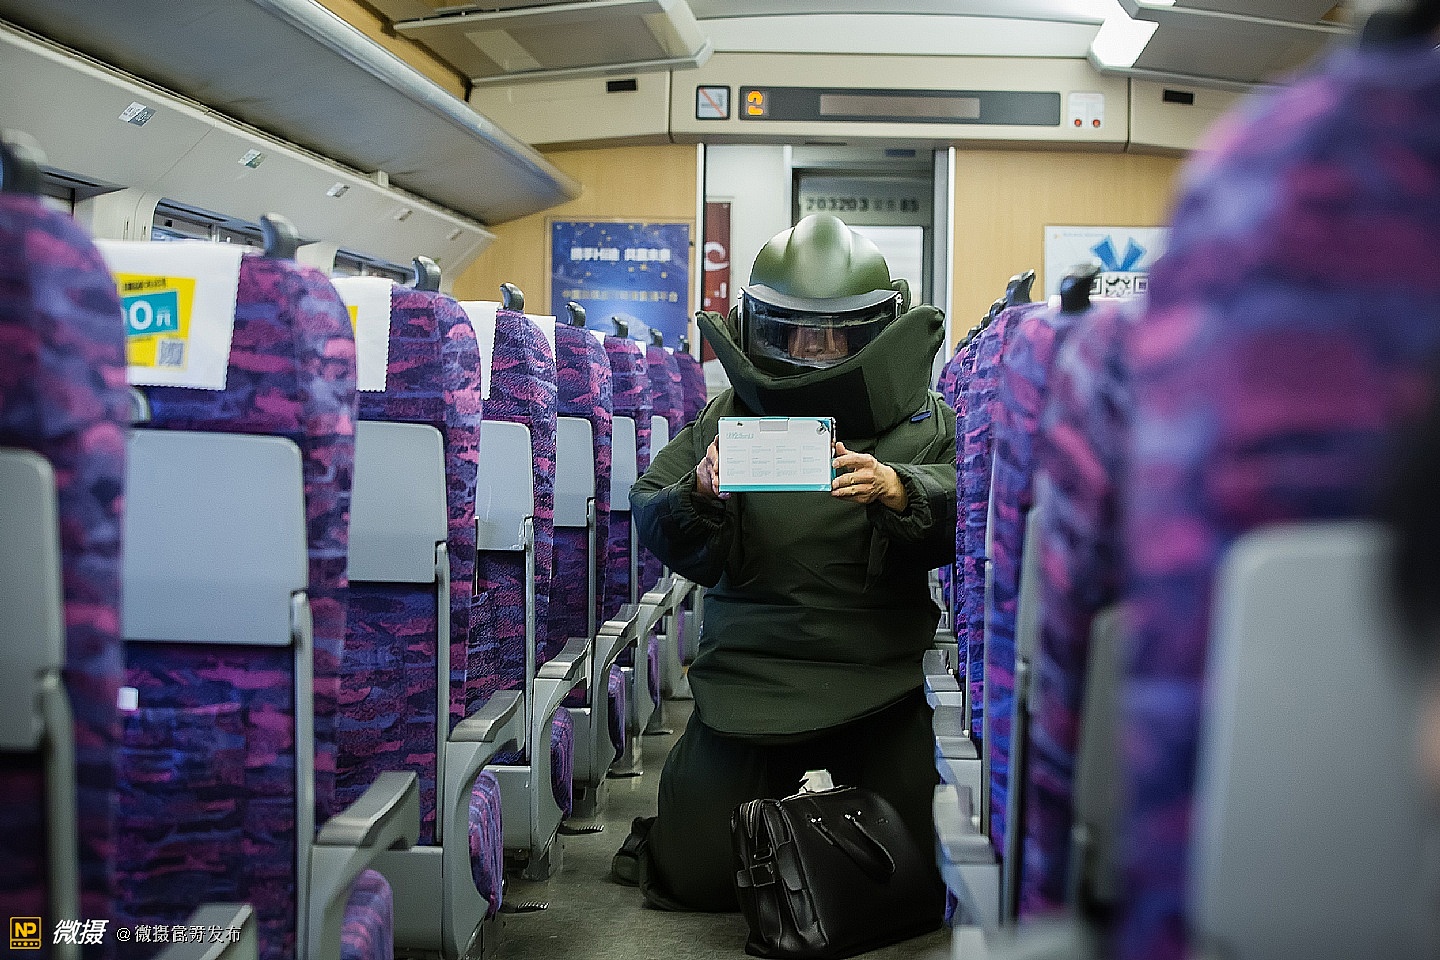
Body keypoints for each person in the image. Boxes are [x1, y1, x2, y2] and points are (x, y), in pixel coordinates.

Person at [611, 213, 956, 920]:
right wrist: (698, 494)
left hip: (880, 677)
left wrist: (902, 489)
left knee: (918, 871)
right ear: (760, 329)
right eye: (795, 332)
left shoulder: (924, 420)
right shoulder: (727, 415)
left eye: (838, 334)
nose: (817, 350)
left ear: (878, 331)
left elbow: (976, 502)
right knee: (698, 876)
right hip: (750, 677)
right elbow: (651, 504)